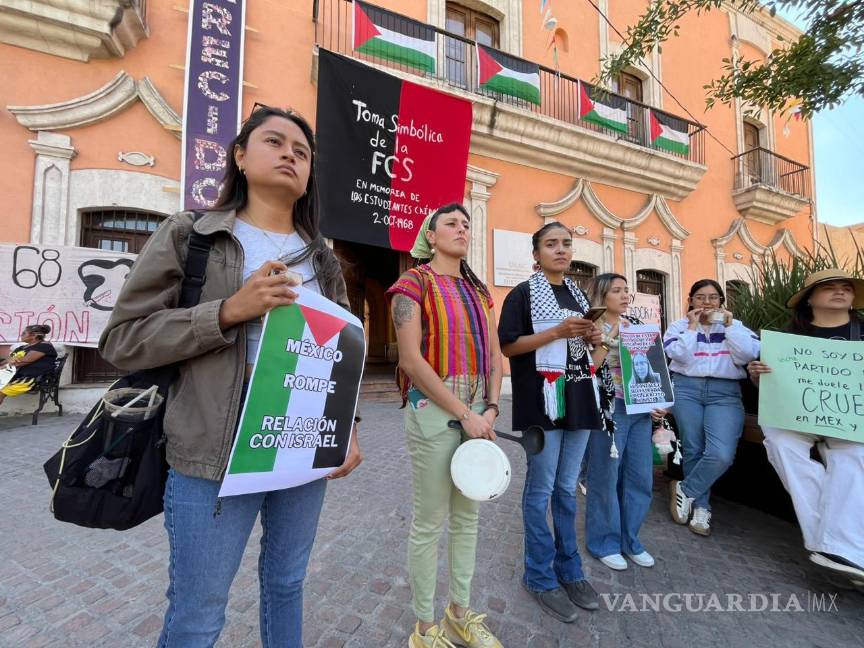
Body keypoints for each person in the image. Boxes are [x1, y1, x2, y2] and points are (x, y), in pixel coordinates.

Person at [99, 105, 363, 648]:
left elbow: (339, 353)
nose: (290, 153)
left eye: (302, 150)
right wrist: (226, 311)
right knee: (199, 612)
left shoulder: (324, 261)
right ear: (240, 157)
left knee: (287, 585)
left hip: (300, 448)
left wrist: (347, 427)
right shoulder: (192, 234)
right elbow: (123, 339)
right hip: (209, 455)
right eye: (274, 141)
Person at [388, 203, 504, 648]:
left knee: (467, 519)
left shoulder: (480, 292)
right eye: (451, 224)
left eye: (466, 224)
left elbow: (495, 357)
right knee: (430, 521)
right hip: (437, 413)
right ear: (431, 236)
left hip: (477, 411)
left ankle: (459, 614)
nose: (462, 228)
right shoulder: (411, 285)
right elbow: (411, 361)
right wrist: (465, 413)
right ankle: (424, 627)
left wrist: (491, 408)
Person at [497, 222, 603, 623]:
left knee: (565, 490)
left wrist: (591, 335)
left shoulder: (577, 294)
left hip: (578, 400)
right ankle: (539, 577)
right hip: (542, 403)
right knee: (540, 491)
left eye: (566, 244)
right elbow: (508, 345)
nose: (560, 250)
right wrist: (557, 331)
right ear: (536, 254)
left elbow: (585, 351)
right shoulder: (523, 295)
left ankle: (570, 571)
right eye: (551, 244)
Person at [747, 268, 864, 585]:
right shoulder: (788, 339)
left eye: (846, 288)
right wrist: (758, 376)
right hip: (797, 417)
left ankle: (834, 550)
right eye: (830, 288)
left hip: (852, 419)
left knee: (852, 458)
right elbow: (775, 391)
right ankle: (838, 549)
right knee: (780, 445)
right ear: (810, 299)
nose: (840, 292)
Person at [663, 279, 759, 536]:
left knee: (721, 453)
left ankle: (686, 490)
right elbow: (678, 355)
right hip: (687, 389)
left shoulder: (735, 327)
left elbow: (748, 354)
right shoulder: (679, 326)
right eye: (700, 297)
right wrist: (693, 327)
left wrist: (728, 326)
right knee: (693, 447)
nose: (707, 302)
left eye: (713, 297)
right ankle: (702, 508)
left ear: (721, 301)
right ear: (691, 301)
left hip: (725, 393)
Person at [584, 274, 666, 571]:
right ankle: (604, 542)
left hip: (639, 410)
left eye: (626, 290)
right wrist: (611, 335)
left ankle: (631, 539)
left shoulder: (638, 327)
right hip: (609, 408)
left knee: (640, 476)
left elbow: (651, 368)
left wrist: (657, 402)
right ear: (601, 295)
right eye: (616, 290)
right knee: (606, 476)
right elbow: (589, 366)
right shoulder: (591, 327)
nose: (625, 295)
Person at [0, 324, 57, 405]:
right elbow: (8, 360)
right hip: (15, 375)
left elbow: (22, 362)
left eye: (24, 333)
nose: (21, 335)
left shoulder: (44, 346)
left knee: (0, 392)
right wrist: (5, 363)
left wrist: (4, 366)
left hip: (32, 378)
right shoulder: (22, 348)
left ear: (33, 336)